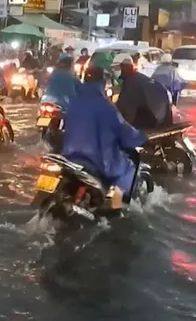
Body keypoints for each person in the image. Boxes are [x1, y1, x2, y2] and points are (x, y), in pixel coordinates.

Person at [62, 66, 148, 208]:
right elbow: (124, 132)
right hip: (97, 160)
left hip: (70, 157)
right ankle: (117, 207)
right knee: (127, 169)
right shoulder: (106, 107)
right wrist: (141, 137)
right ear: (102, 82)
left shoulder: (73, 102)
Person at [114, 53, 173, 130]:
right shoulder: (142, 79)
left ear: (124, 66)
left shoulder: (131, 84)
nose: (114, 70)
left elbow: (125, 114)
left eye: (116, 67)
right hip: (163, 123)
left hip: (146, 127)